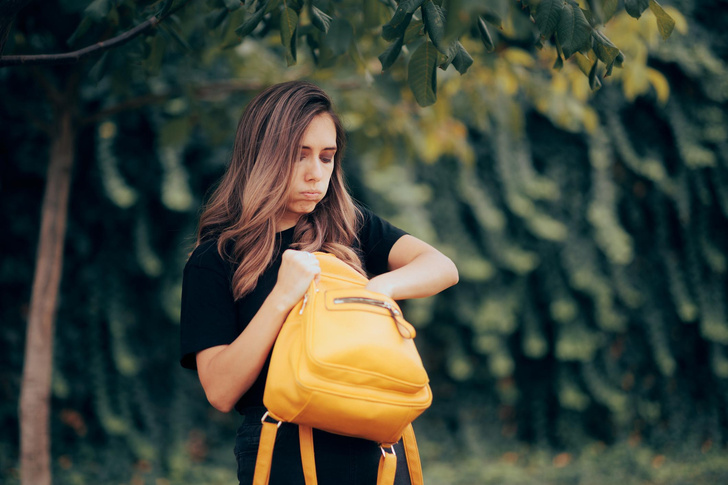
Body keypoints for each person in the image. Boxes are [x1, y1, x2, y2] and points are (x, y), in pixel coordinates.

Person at [179, 80, 458, 485]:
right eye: (299, 156)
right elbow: (220, 390)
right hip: (285, 452)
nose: (316, 174)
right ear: (262, 157)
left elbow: (441, 266)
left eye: (327, 157)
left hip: (376, 446)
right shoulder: (216, 259)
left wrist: (376, 291)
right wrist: (282, 298)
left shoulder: (350, 226)